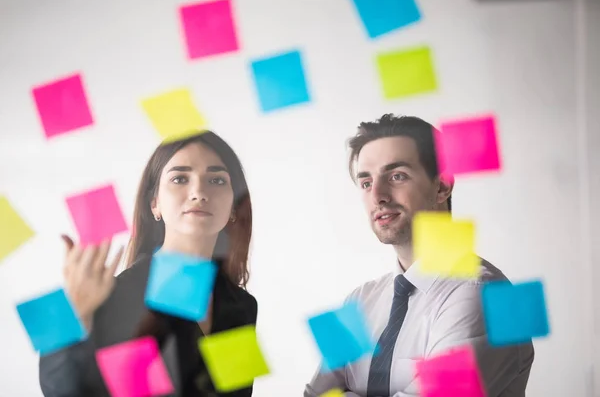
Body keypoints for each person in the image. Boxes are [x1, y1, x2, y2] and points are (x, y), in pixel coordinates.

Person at [304, 114, 534, 397]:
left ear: (442, 186)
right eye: (366, 183)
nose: (378, 196)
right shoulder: (358, 300)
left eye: (397, 176)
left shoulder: (489, 297)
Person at [39, 130, 258, 397]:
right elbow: (61, 391)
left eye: (216, 180)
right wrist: (73, 315)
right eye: (179, 178)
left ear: (234, 206)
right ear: (155, 204)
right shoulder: (112, 297)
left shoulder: (242, 305)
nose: (199, 191)